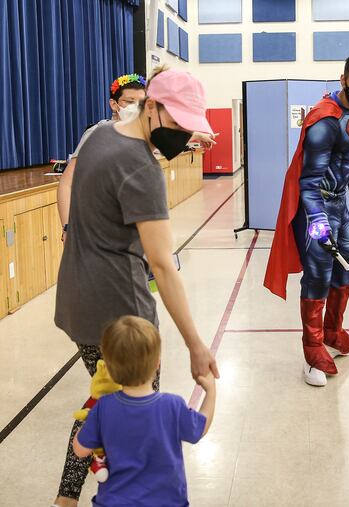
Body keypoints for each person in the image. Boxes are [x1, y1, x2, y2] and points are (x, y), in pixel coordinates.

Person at [52, 66, 219, 507]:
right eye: (179, 124)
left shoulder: (98, 136)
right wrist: (196, 345)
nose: (183, 136)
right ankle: (133, 493)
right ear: (152, 107)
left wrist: (185, 135)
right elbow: (162, 266)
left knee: (103, 401)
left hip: (77, 300)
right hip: (121, 310)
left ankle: (68, 496)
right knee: (132, 410)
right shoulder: (142, 171)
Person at [264, 51, 349, 387]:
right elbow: (308, 183)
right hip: (316, 207)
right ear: (343, 80)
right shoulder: (323, 120)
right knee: (318, 275)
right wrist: (318, 222)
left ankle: (332, 331)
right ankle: (312, 348)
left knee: (347, 268)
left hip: (340, 205)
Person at [73, 316, 216, 506]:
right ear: (157, 363)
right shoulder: (172, 405)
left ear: (108, 368)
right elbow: (201, 427)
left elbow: (80, 450)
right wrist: (211, 393)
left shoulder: (104, 407)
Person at [57, 74, 217, 243]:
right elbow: (67, 183)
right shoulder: (97, 133)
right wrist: (67, 227)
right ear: (114, 104)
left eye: (140, 102)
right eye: (129, 101)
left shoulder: (142, 132)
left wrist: (198, 134)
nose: (135, 107)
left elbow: (167, 133)